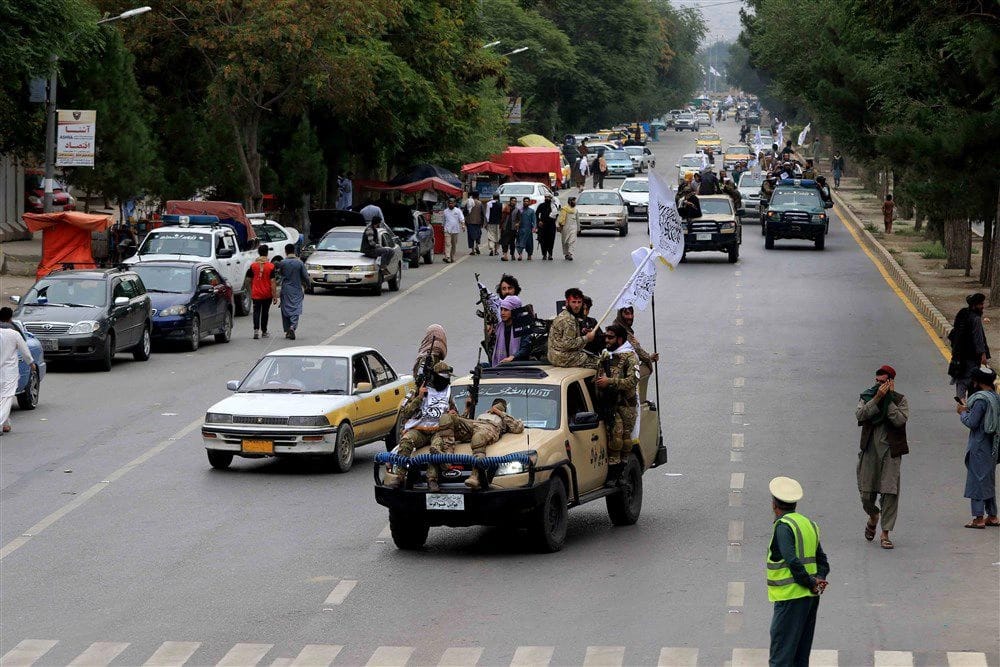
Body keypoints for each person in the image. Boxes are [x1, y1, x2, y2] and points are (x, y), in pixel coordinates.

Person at [766, 476, 830, 667]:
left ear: (774, 504)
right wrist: (819, 579)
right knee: (800, 657)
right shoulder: (809, 524)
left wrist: (810, 582)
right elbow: (823, 561)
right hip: (810, 599)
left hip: (790, 600)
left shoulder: (783, 527)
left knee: (781, 657)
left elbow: (791, 560)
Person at [382, 361, 458, 490]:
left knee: (436, 449)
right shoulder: (418, 390)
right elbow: (405, 412)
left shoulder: (448, 393)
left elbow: (456, 413)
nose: (445, 381)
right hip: (419, 430)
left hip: (438, 432)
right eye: (442, 378)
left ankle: (432, 480)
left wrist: (453, 413)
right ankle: (400, 477)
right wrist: (419, 397)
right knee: (406, 441)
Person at [856, 365, 909, 550]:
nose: (879, 385)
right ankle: (873, 516)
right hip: (870, 451)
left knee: (889, 493)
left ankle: (885, 533)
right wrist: (878, 398)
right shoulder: (867, 396)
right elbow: (860, 415)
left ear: (891, 382)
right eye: (877, 381)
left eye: (883, 382)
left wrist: (889, 400)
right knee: (865, 494)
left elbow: (900, 420)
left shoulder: (900, 400)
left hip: (890, 453)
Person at [433, 398, 525, 491]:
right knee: (446, 418)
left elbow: (518, 428)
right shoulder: (483, 414)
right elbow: (463, 422)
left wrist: (499, 412)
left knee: (478, 437)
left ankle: (475, 476)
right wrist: (466, 409)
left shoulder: (504, 418)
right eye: (496, 404)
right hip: (475, 424)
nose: (497, 406)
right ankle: (447, 457)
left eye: (500, 405)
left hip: (490, 427)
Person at [956, 366, 999, 528]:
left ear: (978, 381)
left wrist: (962, 412)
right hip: (992, 445)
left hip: (979, 445)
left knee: (976, 480)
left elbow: (972, 422)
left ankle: (978, 518)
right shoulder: (995, 396)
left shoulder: (980, 400)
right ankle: (993, 515)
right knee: (988, 479)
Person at [595, 324, 640, 466]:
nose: (606, 340)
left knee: (626, 441)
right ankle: (614, 470)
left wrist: (610, 381)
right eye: (605, 337)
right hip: (610, 404)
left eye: (610, 337)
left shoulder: (630, 357)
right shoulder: (605, 355)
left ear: (620, 340)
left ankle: (624, 472)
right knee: (615, 439)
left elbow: (632, 381)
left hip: (626, 405)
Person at [0, 308, 35, 435]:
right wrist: (31, 363)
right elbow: (25, 351)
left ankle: (6, 424)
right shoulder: (14, 334)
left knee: (1, 398)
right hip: (9, 371)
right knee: (7, 397)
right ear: (10, 318)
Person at [950, 293, 991, 399]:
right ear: (974, 305)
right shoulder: (975, 319)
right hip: (971, 356)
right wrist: (983, 355)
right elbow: (978, 338)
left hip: (958, 354)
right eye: (981, 304)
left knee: (960, 378)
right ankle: (968, 404)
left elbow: (953, 333)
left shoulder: (962, 314)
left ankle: (961, 401)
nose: (982, 306)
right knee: (971, 379)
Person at [547, 288, 599, 369]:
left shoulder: (563, 314)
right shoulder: (569, 320)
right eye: (573, 302)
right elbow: (568, 344)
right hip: (564, 358)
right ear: (567, 302)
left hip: (554, 356)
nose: (577, 305)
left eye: (579, 302)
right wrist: (587, 338)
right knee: (600, 364)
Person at [613, 306, 658, 376]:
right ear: (620, 315)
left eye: (632, 313)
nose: (630, 317)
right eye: (627, 314)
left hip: (622, 365)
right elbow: (638, 351)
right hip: (621, 372)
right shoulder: (622, 332)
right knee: (647, 368)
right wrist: (648, 359)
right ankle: (639, 386)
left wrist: (649, 358)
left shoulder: (615, 326)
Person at [278, 243, 310, 340]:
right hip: (296, 289)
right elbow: (305, 276)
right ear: (294, 251)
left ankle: (288, 329)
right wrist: (308, 285)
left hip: (286, 289)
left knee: (285, 309)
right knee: (295, 308)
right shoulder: (299, 263)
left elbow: (279, 275)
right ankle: (292, 327)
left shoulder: (282, 263)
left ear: (286, 251)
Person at [247, 245, 278, 339]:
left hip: (256, 293)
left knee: (256, 312)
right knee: (265, 312)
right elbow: (272, 282)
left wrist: (251, 289)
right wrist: (274, 295)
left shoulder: (253, 266)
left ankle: (256, 330)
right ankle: (264, 331)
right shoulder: (271, 266)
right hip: (267, 294)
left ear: (259, 253)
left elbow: (248, 280)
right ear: (267, 253)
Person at [492, 295, 524, 365]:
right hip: (500, 366)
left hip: (517, 365)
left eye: (506, 310)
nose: (502, 313)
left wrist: (513, 357)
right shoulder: (498, 328)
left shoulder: (523, 327)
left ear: (514, 311)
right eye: (501, 309)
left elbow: (525, 348)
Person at [441, 197, 465, 263]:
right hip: (447, 230)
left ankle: (452, 256)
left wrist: (463, 225)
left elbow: (462, 219)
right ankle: (447, 257)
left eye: (452, 203)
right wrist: (442, 227)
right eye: (449, 203)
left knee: (453, 245)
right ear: (447, 204)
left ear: (455, 203)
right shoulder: (445, 211)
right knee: (447, 243)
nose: (450, 204)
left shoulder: (458, 211)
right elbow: (443, 221)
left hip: (455, 230)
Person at [535, 193, 558, 261]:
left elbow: (556, 215)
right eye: (546, 197)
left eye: (548, 197)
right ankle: (544, 254)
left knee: (551, 241)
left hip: (551, 226)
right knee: (543, 241)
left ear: (551, 198)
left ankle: (550, 254)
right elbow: (537, 214)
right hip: (543, 226)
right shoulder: (541, 205)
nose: (547, 198)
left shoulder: (554, 206)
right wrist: (539, 221)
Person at [556, 196, 579, 260]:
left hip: (573, 228)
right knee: (565, 241)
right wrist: (558, 226)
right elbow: (560, 218)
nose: (574, 202)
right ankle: (566, 254)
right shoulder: (564, 209)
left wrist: (578, 228)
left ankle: (570, 253)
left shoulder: (576, 210)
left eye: (575, 200)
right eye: (573, 200)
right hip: (565, 227)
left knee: (571, 241)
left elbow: (577, 220)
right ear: (569, 201)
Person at [499, 196, 519, 262]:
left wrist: (518, 223)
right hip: (505, 227)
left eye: (515, 201)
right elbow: (502, 218)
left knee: (512, 243)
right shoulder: (505, 208)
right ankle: (505, 255)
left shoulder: (517, 210)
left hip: (513, 229)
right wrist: (501, 225)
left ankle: (512, 254)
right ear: (510, 201)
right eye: (512, 201)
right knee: (505, 242)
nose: (513, 202)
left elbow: (519, 219)